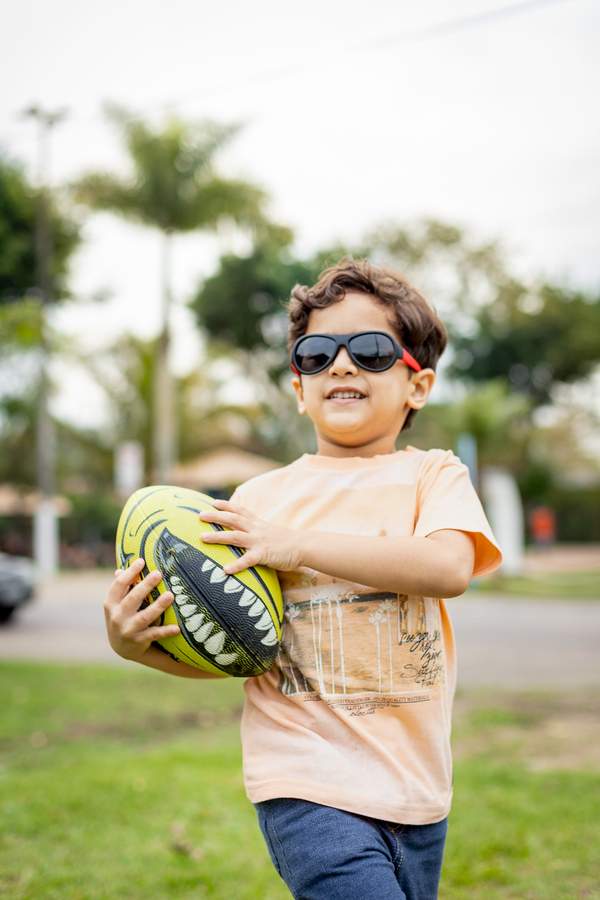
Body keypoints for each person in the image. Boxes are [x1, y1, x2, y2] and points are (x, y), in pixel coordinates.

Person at [104, 257, 503, 899]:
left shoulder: (434, 476)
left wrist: (297, 546)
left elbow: (451, 567)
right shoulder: (254, 500)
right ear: (298, 387)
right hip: (304, 784)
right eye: (317, 354)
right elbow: (238, 648)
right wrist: (139, 647)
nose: (341, 365)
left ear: (418, 385)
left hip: (417, 788)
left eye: (371, 351)